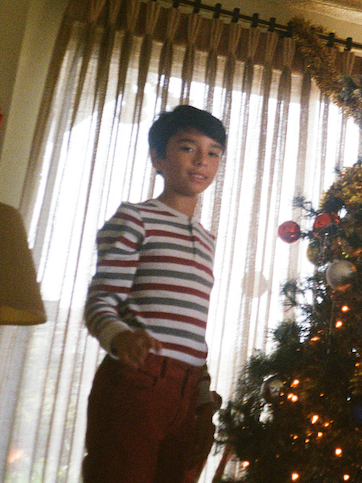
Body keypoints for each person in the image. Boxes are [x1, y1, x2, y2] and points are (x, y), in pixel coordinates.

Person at [82, 105, 227, 483]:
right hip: (138, 383)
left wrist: (201, 390)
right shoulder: (135, 218)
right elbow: (100, 302)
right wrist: (120, 337)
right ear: (157, 157)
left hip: (189, 391)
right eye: (187, 148)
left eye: (213, 152)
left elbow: (191, 323)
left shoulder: (208, 239)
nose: (202, 160)